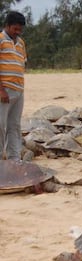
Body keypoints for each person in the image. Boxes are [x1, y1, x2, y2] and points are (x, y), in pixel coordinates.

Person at [0, 11, 26, 161]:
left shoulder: (21, 43)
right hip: (4, 91)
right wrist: (1, 89)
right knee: (0, 126)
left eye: (20, 30)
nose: (17, 32)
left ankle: (14, 159)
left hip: (18, 90)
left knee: (14, 126)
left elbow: (22, 63)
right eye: (15, 29)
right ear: (7, 25)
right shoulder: (1, 40)